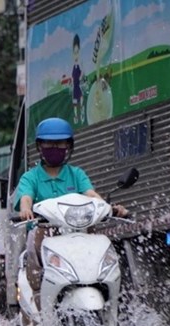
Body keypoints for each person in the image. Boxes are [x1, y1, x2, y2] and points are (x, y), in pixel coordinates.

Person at [14, 117, 128, 313]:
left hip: (79, 234)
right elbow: (25, 198)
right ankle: (40, 307)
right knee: (36, 250)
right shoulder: (30, 177)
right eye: (49, 143)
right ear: (39, 146)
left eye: (60, 143)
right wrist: (26, 209)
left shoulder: (76, 174)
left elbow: (92, 196)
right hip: (45, 235)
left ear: (69, 146)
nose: (55, 147)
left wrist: (110, 208)